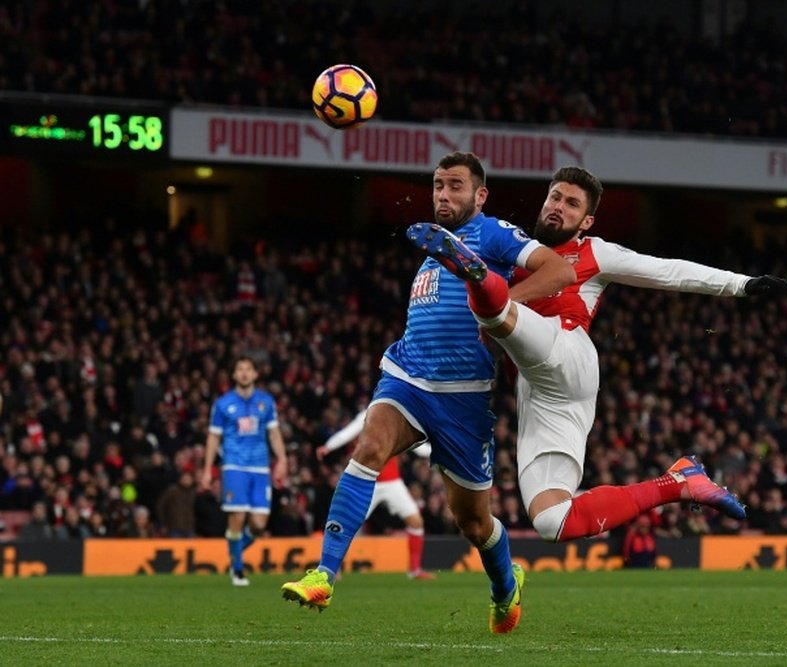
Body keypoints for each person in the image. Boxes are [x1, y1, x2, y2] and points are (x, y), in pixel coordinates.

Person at [407, 165, 787, 544]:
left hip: (567, 353)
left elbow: (667, 271)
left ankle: (479, 284)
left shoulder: (594, 252)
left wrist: (743, 284)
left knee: (492, 309)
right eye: (554, 198)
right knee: (550, 520)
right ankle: (679, 482)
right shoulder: (520, 251)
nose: (558, 207)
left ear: (586, 221)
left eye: (572, 204)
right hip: (538, 392)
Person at [281, 152, 574, 635]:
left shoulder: (494, 233)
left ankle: (506, 584)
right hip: (408, 376)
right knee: (370, 447)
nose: (443, 194)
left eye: (455, 186)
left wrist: (502, 304)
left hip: (464, 399)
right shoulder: (434, 249)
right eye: (438, 185)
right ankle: (324, 574)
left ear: (479, 195)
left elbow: (558, 272)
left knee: (474, 525)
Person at [316, 407, 435, 580]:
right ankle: (332, 569)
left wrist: (443, 451)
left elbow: (418, 446)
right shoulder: (370, 412)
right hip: (367, 480)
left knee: (416, 521)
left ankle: (414, 570)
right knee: (348, 525)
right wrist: (328, 446)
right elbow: (348, 432)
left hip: (393, 481)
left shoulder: (399, 411)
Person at [201, 355, 288, 586]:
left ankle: (234, 554)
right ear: (234, 375)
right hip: (234, 465)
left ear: (256, 374)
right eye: (240, 369)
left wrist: (282, 459)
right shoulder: (222, 404)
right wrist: (207, 469)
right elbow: (213, 437)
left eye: (248, 369)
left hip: (260, 468)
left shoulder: (266, 402)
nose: (244, 373)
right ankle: (238, 570)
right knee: (237, 517)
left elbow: (274, 433)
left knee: (259, 524)